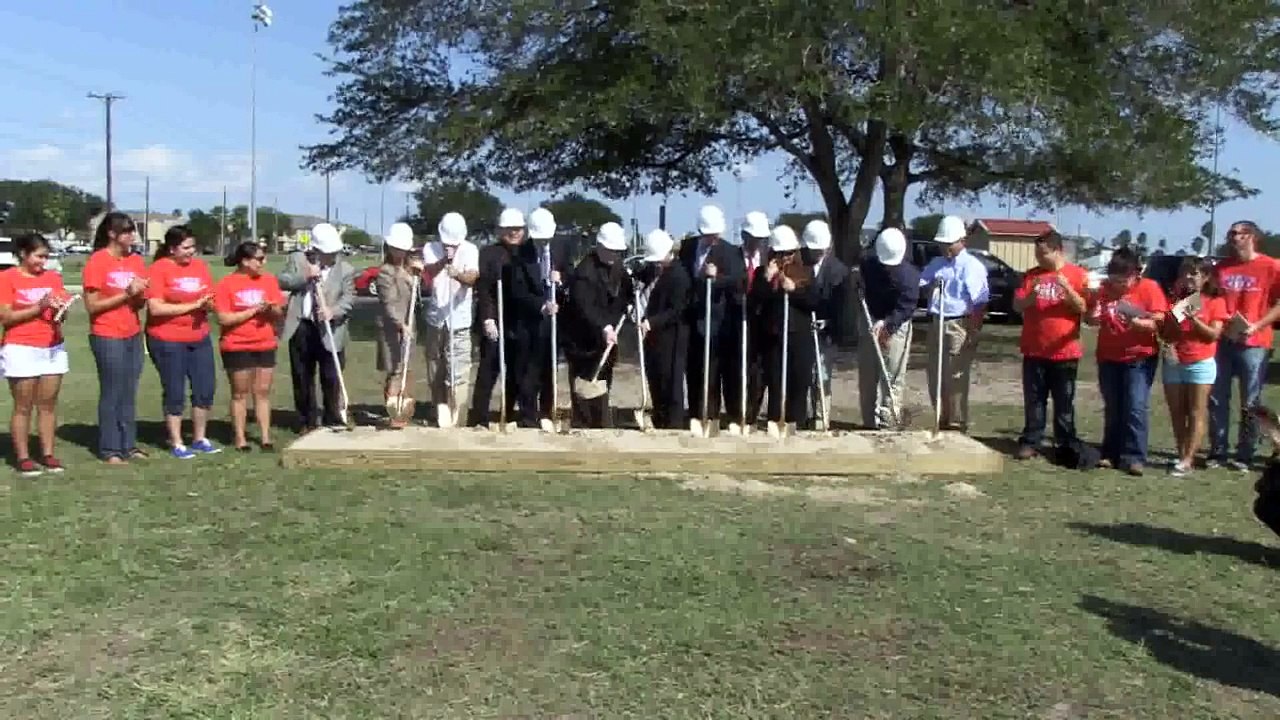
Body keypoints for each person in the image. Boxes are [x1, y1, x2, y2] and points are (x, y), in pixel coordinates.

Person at [1085, 246, 1168, 475]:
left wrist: (1140, 323)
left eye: (1124, 281)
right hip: (1109, 356)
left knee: (1135, 406)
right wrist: (1092, 314)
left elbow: (1160, 320)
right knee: (1113, 407)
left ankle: (1134, 456)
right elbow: (1092, 318)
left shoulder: (1150, 288)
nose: (1118, 285)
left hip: (1139, 356)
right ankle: (1110, 452)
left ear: (1136, 274)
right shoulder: (1104, 290)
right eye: (1114, 280)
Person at [0, 234, 75, 475]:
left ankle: (48, 454)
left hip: (52, 347)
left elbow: (60, 315)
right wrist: (38, 308)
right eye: (39, 256)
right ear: (23, 253)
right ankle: (22, 457)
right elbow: (6, 317)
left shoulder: (53, 277)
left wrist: (61, 310)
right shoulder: (7, 278)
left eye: (46, 256)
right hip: (21, 347)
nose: (43, 262)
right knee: (23, 406)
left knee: (48, 405)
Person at [1011, 231, 1089, 460]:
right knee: (1034, 400)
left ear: (1058, 251)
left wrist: (1068, 290)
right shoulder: (1031, 276)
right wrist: (1030, 298)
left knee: (1064, 401)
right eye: (1037, 252)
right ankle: (1031, 441)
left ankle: (1065, 443)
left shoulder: (1076, 275)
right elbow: (1017, 305)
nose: (1039, 257)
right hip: (1035, 349)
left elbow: (1083, 307)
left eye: (1043, 253)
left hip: (1064, 351)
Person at [1209, 220, 1280, 470]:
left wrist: (1258, 324)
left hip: (1255, 342)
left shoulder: (1271, 266)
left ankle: (1245, 455)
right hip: (1223, 341)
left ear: (1251, 237)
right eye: (1230, 233)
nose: (1232, 238)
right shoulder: (1222, 268)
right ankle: (1218, 452)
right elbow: (1208, 298)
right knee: (1217, 398)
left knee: (1250, 400)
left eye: (1236, 233)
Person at [145, 225, 219, 458]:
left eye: (193, 247)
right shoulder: (159, 269)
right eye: (186, 248)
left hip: (199, 337)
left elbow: (210, 297)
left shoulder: (200, 267)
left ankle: (199, 437)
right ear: (172, 248)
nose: (191, 252)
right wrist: (193, 306)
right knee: (175, 390)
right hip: (167, 339)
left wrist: (208, 305)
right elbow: (156, 308)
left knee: (205, 388)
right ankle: (176, 441)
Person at [83, 211, 149, 464]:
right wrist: (126, 293)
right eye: (127, 231)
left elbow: (139, 302)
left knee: (129, 391)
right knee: (112, 391)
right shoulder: (98, 261)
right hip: (107, 333)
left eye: (133, 231)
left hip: (132, 332)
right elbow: (93, 305)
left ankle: (128, 444)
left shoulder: (135, 261)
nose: (132, 235)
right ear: (112, 234)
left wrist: (141, 294)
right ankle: (110, 448)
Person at [278, 223, 356, 432]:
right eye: (326, 252)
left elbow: (349, 297)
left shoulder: (346, 269)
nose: (331, 256)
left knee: (331, 376)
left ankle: (333, 417)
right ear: (316, 249)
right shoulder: (297, 260)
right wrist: (305, 277)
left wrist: (333, 311)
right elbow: (283, 281)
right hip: (302, 326)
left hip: (331, 329)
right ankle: (306, 420)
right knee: (302, 375)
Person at [469, 208, 542, 427]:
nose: (514, 233)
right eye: (510, 229)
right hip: (495, 320)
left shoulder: (529, 252)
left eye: (518, 229)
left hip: (521, 322)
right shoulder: (489, 253)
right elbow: (485, 289)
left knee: (519, 373)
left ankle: (516, 416)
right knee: (488, 370)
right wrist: (488, 318)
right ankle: (479, 418)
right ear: (501, 230)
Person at [918, 215, 989, 433]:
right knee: (935, 374)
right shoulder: (936, 263)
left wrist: (973, 330)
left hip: (958, 323)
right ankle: (941, 418)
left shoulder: (971, 266)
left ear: (961, 241)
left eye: (949, 243)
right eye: (942, 243)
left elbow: (980, 301)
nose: (945, 247)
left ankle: (957, 422)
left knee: (955, 376)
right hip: (936, 321)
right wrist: (926, 288)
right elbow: (921, 284)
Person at [214, 241, 286, 451]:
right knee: (240, 393)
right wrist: (253, 311)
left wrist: (271, 309)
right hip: (237, 344)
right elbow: (224, 318)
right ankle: (240, 438)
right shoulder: (227, 284)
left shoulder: (269, 281)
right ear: (245, 261)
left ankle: (265, 437)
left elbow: (279, 312)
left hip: (264, 342)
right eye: (260, 259)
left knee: (262, 392)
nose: (264, 262)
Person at [678, 204, 745, 431]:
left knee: (715, 371)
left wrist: (715, 279)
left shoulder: (730, 251)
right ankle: (697, 414)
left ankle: (716, 417)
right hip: (693, 319)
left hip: (718, 321)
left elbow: (738, 278)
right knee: (695, 371)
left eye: (717, 234)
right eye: (710, 235)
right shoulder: (687, 248)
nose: (714, 239)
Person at [1160, 257, 1228, 475]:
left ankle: (1188, 459)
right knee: (1177, 412)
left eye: (1194, 273)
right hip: (1175, 363)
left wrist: (1195, 319)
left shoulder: (1214, 301)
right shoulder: (1180, 300)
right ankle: (1182, 455)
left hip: (1200, 362)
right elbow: (1168, 333)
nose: (1188, 277)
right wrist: (1168, 340)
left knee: (1196, 411)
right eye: (1186, 273)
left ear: (1205, 277)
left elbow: (1213, 335)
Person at [563, 222, 634, 428]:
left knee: (603, 381)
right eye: (610, 250)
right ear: (599, 247)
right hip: (582, 342)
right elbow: (585, 307)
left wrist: (629, 303)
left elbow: (625, 293)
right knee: (584, 383)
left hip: (606, 340)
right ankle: (583, 423)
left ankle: (600, 422)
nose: (614, 255)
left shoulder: (619, 269)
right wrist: (604, 327)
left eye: (617, 251)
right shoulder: (584, 273)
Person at [750, 225, 820, 429]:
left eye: (789, 253)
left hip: (799, 337)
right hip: (773, 338)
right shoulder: (762, 272)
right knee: (775, 383)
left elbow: (814, 301)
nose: (785, 258)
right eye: (781, 253)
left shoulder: (806, 272)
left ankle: (795, 423)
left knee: (798, 384)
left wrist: (794, 290)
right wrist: (766, 279)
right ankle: (774, 422)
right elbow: (755, 301)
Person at [420, 213, 480, 428]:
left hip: (460, 319)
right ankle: (439, 411)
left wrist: (458, 275)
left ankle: (458, 416)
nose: (450, 246)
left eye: (453, 243)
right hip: (436, 320)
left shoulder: (471, 250)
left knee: (459, 371)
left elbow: (473, 277)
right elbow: (427, 275)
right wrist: (444, 259)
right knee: (435, 368)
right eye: (446, 243)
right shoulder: (430, 248)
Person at [858, 227, 919, 429]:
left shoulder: (909, 276)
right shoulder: (869, 265)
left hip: (896, 325)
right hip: (871, 320)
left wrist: (888, 324)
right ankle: (868, 423)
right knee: (868, 376)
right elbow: (860, 281)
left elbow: (907, 307)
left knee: (892, 375)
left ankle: (888, 420)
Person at [521, 207, 574, 428]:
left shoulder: (562, 247)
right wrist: (541, 305)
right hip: (532, 318)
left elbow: (571, 274)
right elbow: (519, 289)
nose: (543, 243)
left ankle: (547, 411)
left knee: (550, 367)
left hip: (555, 321)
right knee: (530, 370)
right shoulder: (522, 253)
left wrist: (561, 279)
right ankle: (528, 416)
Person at [637, 229, 691, 429]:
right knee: (656, 378)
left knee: (671, 382)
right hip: (653, 338)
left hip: (672, 337)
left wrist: (652, 322)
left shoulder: (679, 276)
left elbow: (677, 310)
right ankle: (659, 418)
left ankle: (673, 424)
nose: (656, 265)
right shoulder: (653, 270)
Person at [802, 219, 849, 428]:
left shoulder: (838, 271)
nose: (816, 253)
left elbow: (841, 307)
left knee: (822, 374)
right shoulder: (801, 265)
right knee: (807, 374)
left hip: (825, 333)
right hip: (805, 330)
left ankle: (822, 417)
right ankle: (807, 414)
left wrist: (827, 322)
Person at [726, 211, 770, 430]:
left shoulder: (768, 259)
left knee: (757, 372)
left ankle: (752, 414)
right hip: (736, 321)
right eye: (753, 238)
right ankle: (735, 414)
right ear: (744, 236)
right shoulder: (731, 257)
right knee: (736, 369)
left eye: (760, 239)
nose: (757, 243)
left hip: (760, 324)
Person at [375, 222, 421, 428]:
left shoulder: (410, 269)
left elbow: (418, 296)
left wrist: (416, 275)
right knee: (395, 369)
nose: (399, 252)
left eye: (402, 249)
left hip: (409, 325)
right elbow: (388, 303)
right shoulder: (385, 272)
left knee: (406, 369)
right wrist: (400, 324)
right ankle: (394, 412)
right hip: (393, 329)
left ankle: (405, 412)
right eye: (395, 248)